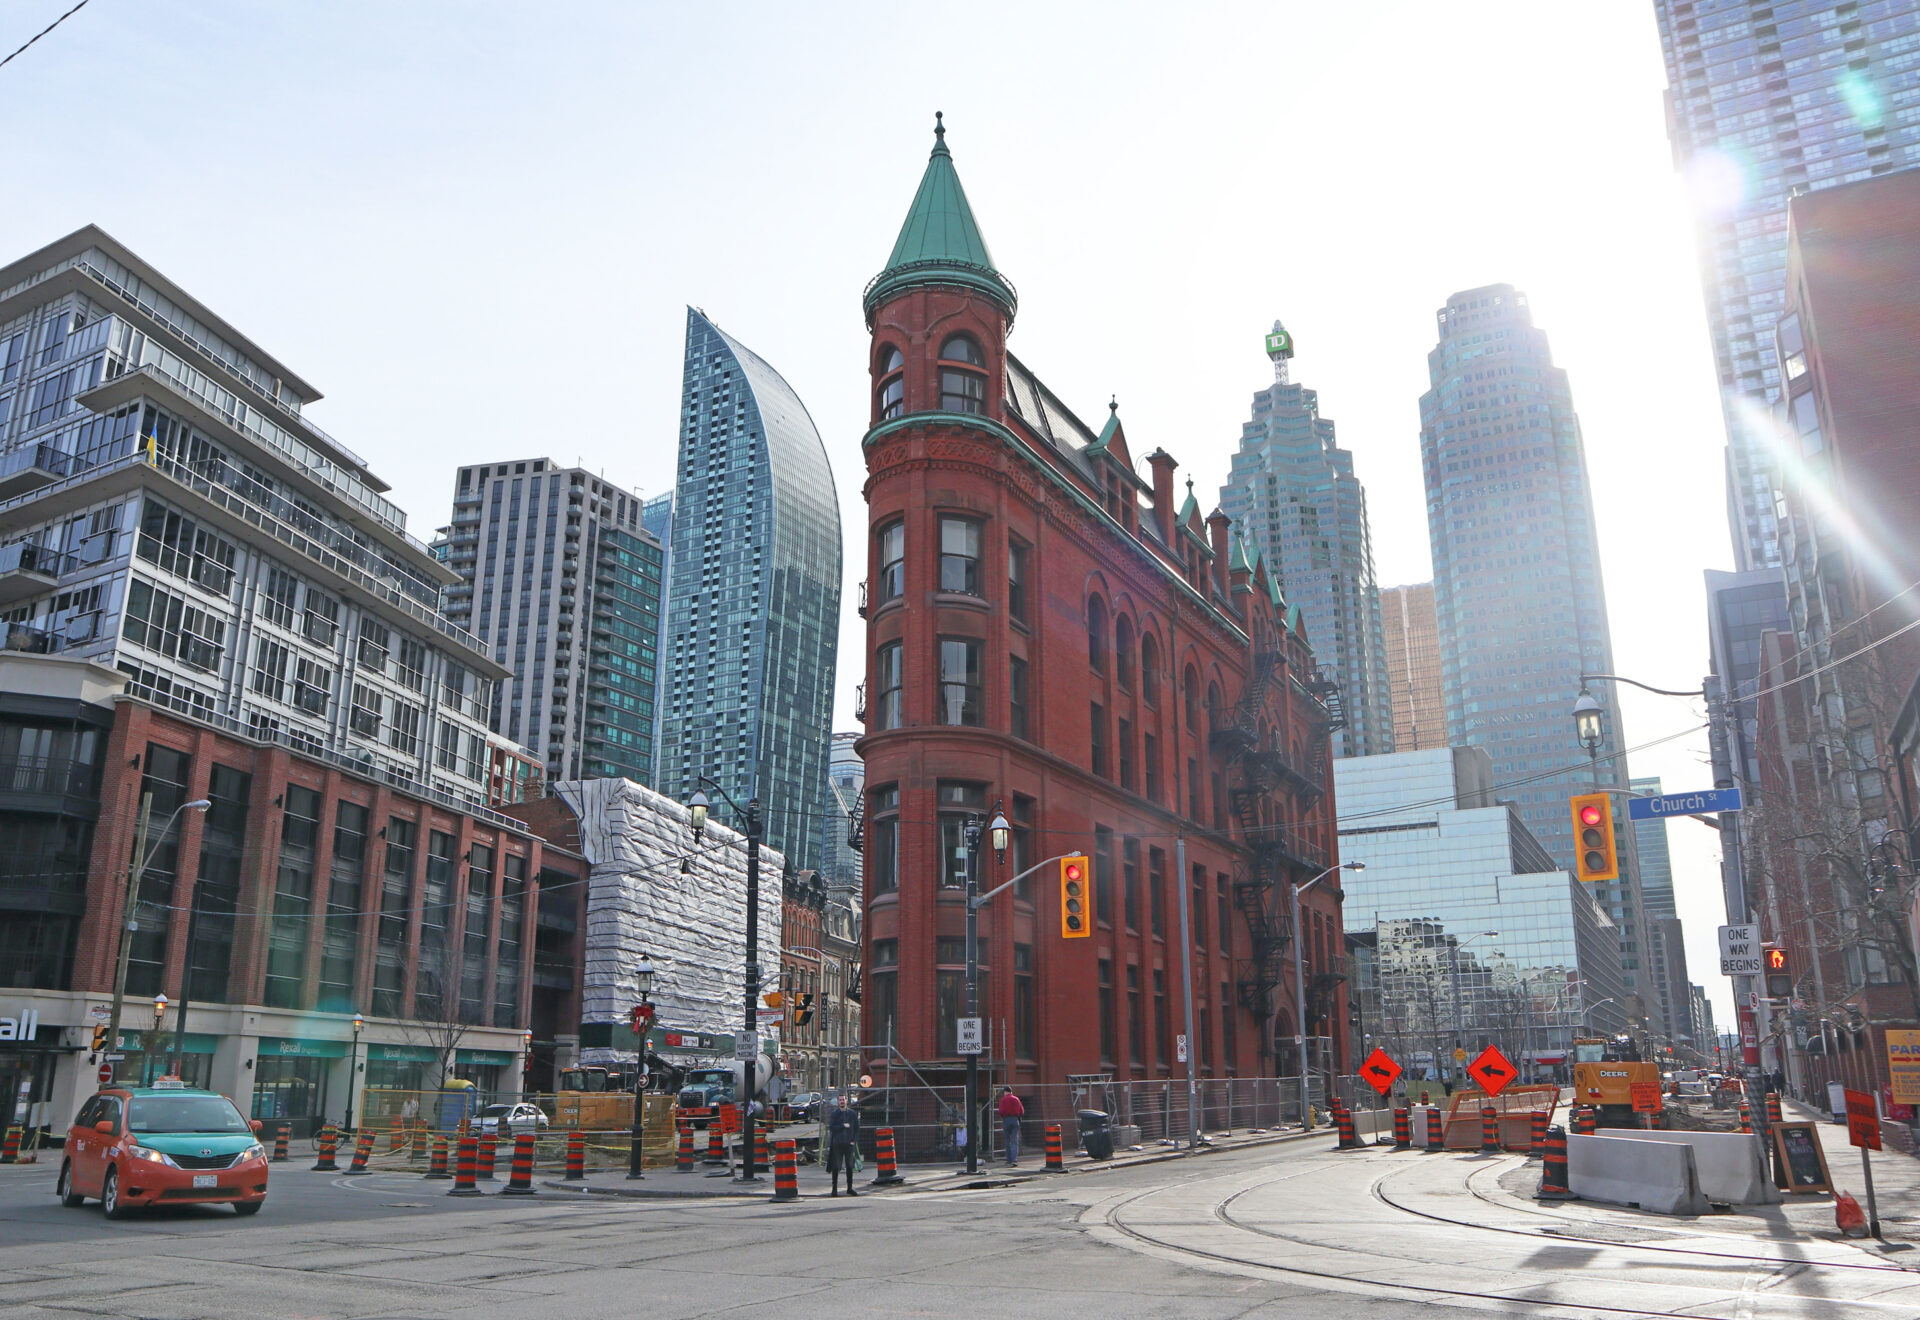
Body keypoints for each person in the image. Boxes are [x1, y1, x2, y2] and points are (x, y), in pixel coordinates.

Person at [827, 1093, 860, 1196]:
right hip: (837, 1144)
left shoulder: (852, 1114)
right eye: (840, 1100)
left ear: (846, 1101)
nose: (842, 1101)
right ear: (838, 1102)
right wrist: (842, 1126)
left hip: (849, 1144)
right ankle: (834, 1189)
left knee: (850, 1166)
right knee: (836, 1167)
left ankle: (849, 1188)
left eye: (843, 1099)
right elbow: (831, 1128)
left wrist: (854, 1141)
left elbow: (857, 1129)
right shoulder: (835, 1114)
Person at [997, 1086, 1025, 1166]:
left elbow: (1001, 1111)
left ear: (1005, 1092)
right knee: (1014, 1140)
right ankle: (1014, 1159)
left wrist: (1004, 1116)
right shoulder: (1016, 1099)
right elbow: (1021, 1111)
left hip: (1006, 1120)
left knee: (1007, 1140)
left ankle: (1008, 1159)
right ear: (1011, 1091)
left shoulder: (1003, 1100)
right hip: (1015, 1119)